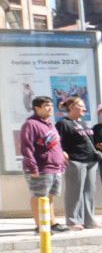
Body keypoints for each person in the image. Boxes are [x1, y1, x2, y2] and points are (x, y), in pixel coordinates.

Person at [20, 96, 66, 230]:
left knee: (50, 196)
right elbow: (26, 147)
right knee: (39, 197)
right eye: (46, 105)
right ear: (37, 108)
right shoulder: (31, 124)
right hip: (40, 168)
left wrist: (61, 163)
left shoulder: (50, 124)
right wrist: (33, 168)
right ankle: (40, 225)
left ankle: (52, 223)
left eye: (51, 105)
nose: (50, 107)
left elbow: (56, 145)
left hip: (55, 168)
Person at [56, 97, 100, 230]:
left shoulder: (84, 123)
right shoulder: (63, 123)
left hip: (91, 161)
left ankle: (89, 220)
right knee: (74, 192)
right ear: (71, 107)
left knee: (89, 192)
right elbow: (56, 141)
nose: (84, 109)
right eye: (81, 106)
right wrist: (62, 152)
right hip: (76, 161)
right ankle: (72, 221)